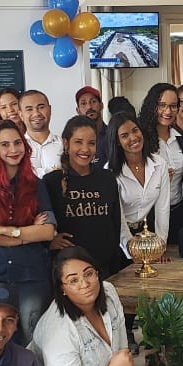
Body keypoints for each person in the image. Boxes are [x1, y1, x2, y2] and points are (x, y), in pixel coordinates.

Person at [0, 120, 57, 344]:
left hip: (31, 274)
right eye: (5, 144)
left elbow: (48, 231)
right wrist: (27, 234)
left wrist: (1, 230)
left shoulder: (36, 185)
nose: (13, 149)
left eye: (17, 143)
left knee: (33, 337)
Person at [42, 116, 127, 278]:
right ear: (66, 144)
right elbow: (43, 223)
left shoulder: (107, 178)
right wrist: (49, 242)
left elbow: (115, 222)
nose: (85, 149)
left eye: (91, 143)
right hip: (70, 272)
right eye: (78, 142)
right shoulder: (51, 182)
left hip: (105, 268)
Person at [108, 111, 170, 248]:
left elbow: (162, 209)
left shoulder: (159, 164)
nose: (133, 137)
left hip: (145, 232)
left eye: (135, 130)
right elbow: (118, 217)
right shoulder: (110, 172)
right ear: (117, 141)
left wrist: (160, 245)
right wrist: (130, 249)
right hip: (118, 237)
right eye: (125, 135)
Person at [137, 83, 183, 243]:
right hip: (149, 213)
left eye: (173, 106)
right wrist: (159, 180)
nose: (168, 111)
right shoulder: (140, 139)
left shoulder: (181, 138)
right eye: (162, 105)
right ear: (152, 106)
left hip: (178, 210)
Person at [20, 90, 62, 177]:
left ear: (50, 109)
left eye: (41, 107)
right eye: (29, 109)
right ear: (21, 115)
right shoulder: (17, 148)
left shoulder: (64, 145)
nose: (36, 113)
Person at [76, 86, 109, 166]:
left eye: (93, 101)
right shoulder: (75, 141)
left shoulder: (113, 135)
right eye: (83, 103)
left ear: (101, 105)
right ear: (78, 111)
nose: (89, 107)